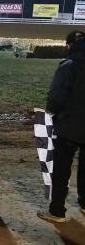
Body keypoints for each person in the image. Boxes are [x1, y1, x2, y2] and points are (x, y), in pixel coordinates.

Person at [37, 30, 85, 223]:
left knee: (61, 169)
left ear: (70, 45)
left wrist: (50, 110)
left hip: (69, 126)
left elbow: (57, 94)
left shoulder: (70, 65)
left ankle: (57, 211)